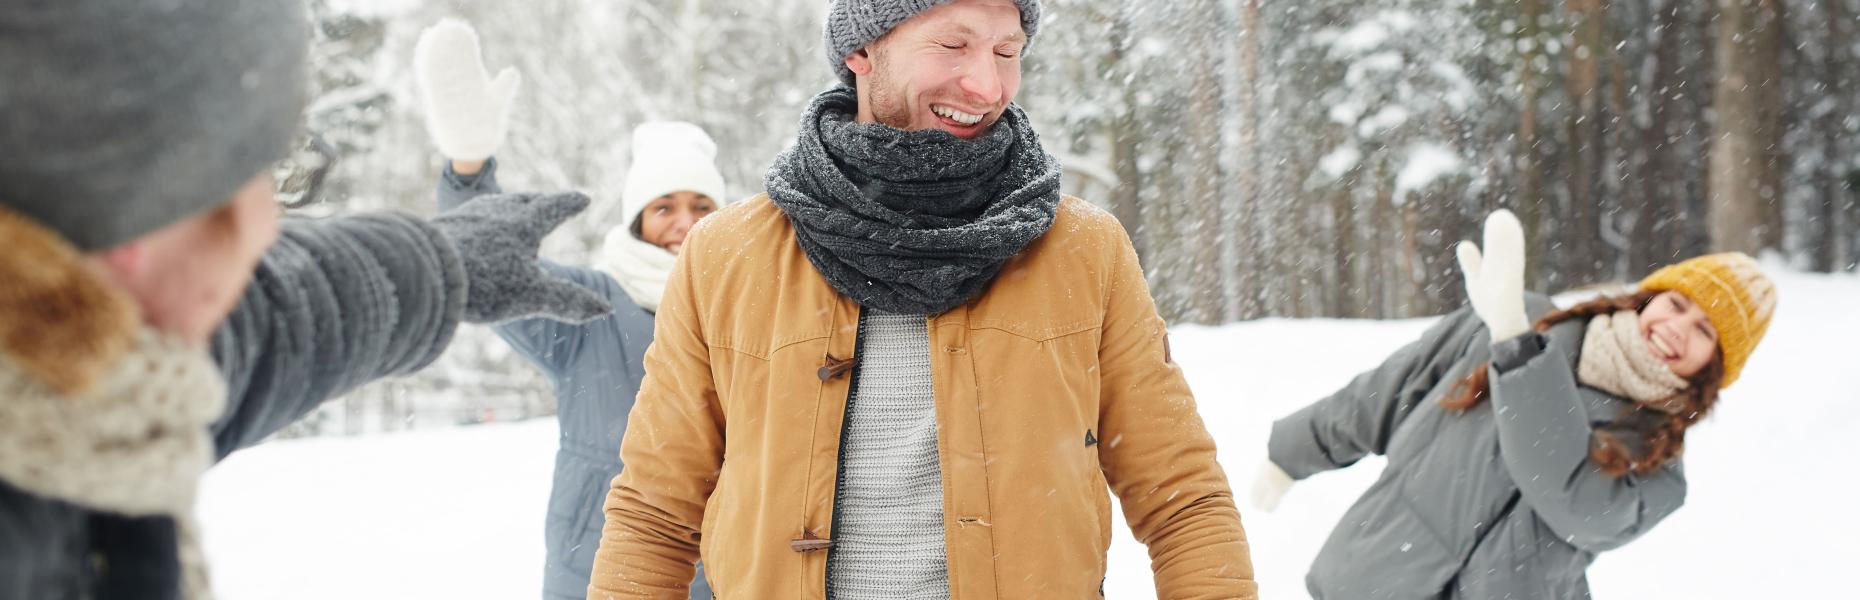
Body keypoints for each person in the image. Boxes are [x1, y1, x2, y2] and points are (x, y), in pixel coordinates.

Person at [586, 1, 1257, 598]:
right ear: (861, 51)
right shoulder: (726, 257)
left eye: (1006, 51)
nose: (987, 85)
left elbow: (1183, 500)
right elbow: (656, 513)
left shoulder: (1084, 251)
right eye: (953, 45)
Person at [0, 2, 608, 598]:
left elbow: (284, 315)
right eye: (246, 178)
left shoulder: (104, 375)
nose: (266, 226)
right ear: (127, 216)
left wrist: (445, 265)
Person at [1250, 210, 1777, 599]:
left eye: (1704, 330)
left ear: (1715, 365)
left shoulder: (1658, 467)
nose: (1676, 328)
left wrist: (1518, 352)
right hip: (1373, 578)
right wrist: (1294, 450)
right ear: (1649, 296)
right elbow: (1388, 391)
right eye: (1678, 303)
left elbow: (1571, 497)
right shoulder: (1514, 318)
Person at [412, 20, 726, 600]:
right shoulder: (593, 308)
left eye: (701, 204)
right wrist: (467, 168)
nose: (685, 221)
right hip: (601, 565)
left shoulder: (747, 309)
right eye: (665, 207)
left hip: (732, 566)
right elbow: (486, 260)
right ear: (637, 221)